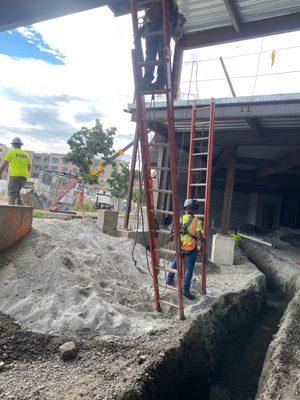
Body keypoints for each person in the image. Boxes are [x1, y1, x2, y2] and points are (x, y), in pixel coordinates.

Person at [135, 0, 184, 91]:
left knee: (162, 51)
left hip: (167, 16)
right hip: (153, 18)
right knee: (150, 52)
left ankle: (160, 80)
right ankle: (148, 77)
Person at [167, 199, 204, 300]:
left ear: (186, 208)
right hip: (191, 248)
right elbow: (199, 237)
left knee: (176, 261)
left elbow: (176, 230)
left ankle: (169, 278)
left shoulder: (181, 218)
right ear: (194, 209)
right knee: (189, 269)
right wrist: (203, 241)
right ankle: (185, 290)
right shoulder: (197, 221)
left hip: (181, 245)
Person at [0, 137, 31, 206]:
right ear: (20, 145)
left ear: (13, 145)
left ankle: (11, 207)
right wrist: (25, 174)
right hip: (24, 176)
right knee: (17, 192)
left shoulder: (11, 152)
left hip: (15, 175)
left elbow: (4, 165)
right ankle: (20, 206)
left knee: (12, 192)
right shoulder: (26, 154)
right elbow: (29, 166)